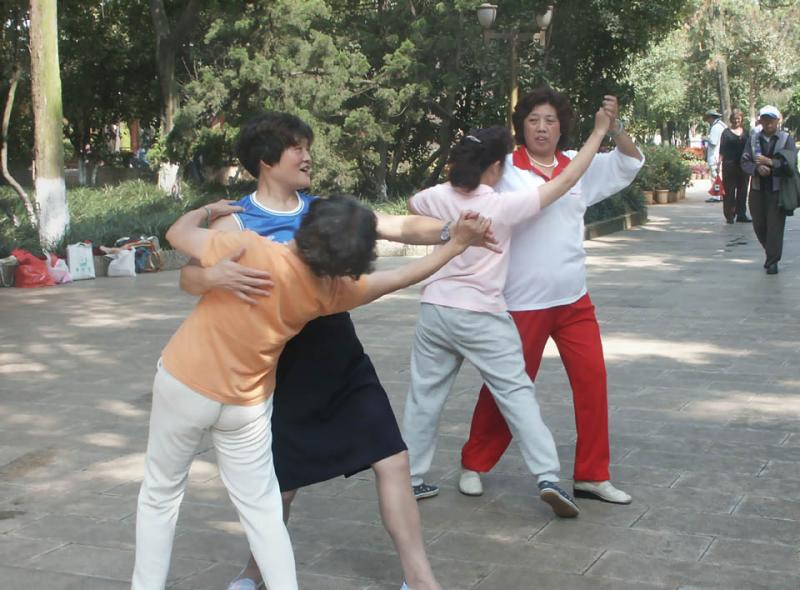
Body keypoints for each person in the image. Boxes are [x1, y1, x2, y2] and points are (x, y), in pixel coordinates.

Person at [179, 112, 483, 590]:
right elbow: (188, 277)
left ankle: (420, 580)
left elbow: (394, 225)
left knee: (393, 458)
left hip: (339, 354)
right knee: (281, 482)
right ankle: (255, 571)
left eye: (306, 145)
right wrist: (213, 277)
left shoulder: (320, 209)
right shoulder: (234, 217)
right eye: (295, 147)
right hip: (276, 362)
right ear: (264, 161)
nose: (307, 155)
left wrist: (450, 230)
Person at [402, 106, 611, 518]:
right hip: (482, 315)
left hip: (435, 312)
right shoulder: (501, 206)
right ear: (496, 167)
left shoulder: (436, 197)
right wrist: (598, 131)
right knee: (516, 394)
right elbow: (567, 179)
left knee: (424, 397)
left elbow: (413, 203)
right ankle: (549, 475)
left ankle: (410, 477)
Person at [458, 88, 644, 505]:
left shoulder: (577, 164)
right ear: (521, 126)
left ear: (562, 127)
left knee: (593, 381)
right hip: (522, 301)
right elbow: (466, 192)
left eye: (550, 121)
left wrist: (615, 129)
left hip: (573, 298)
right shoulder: (506, 170)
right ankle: (474, 462)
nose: (542, 128)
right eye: (533, 120)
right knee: (508, 386)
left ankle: (592, 475)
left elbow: (628, 161)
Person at [741, 105, 797, 275]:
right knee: (759, 225)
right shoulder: (753, 139)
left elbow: (791, 163)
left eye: (771, 120)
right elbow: (744, 162)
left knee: (775, 227)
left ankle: (772, 261)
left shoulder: (786, 139)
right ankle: (770, 251)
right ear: (760, 121)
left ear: (778, 120)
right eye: (765, 120)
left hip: (777, 191)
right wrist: (757, 169)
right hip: (757, 189)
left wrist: (771, 163)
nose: (768, 123)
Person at [719, 108, 751, 224]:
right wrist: (718, 164)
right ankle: (729, 215)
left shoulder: (746, 132)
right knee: (729, 191)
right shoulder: (726, 133)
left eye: (738, 118)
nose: (736, 120)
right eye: (734, 118)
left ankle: (741, 214)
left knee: (743, 191)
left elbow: (750, 148)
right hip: (729, 166)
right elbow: (722, 149)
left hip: (744, 166)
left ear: (741, 119)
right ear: (731, 119)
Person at [704, 109, 727, 203]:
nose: (707, 120)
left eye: (708, 118)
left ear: (711, 118)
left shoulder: (715, 127)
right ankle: (721, 194)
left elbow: (713, 142)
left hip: (715, 156)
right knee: (720, 176)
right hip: (720, 155)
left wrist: (706, 138)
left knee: (715, 176)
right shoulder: (722, 125)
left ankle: (717, 195)